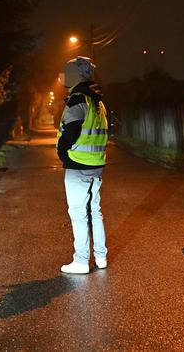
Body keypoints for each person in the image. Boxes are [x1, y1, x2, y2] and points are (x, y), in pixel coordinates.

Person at [57, 56, 109, 274]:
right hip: (96, 163)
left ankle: (80, 261)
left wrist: (62, 152)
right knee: (95, 211)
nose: (61, 75)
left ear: (75, 75)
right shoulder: (98, 101)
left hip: (78, 163)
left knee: (78, 213)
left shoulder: (78, 98)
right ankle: (100, 257)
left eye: (66, 71)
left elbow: (71, 130)